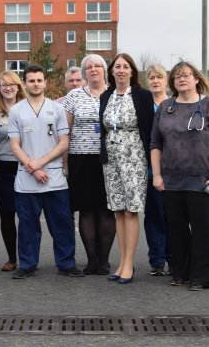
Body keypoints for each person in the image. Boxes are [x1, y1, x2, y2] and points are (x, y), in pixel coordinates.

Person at [150, 61, 209, 291]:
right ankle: (181, 272)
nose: (181, 79)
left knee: (202, 230)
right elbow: (155, 143)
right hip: (172, 179)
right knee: (177, 229)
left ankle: (202, 277)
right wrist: (157, 175)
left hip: (201, 178)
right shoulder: (165, 107)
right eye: (177, 76)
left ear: (196, 79)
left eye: (186, 75)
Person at [8, 64, 82, 279]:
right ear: (24, 84)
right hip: (27, 180)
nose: (36, 84)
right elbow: (14, 145)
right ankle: (28, 264)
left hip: (54, 178)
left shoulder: (56, 109)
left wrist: (40, 163)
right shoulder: (16, 111)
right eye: (31, 80)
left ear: (45, 83)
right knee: (28, 226)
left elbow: (63, 142)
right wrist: (33, 168)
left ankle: (67, 263)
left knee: (61, 224)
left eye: (39, 80)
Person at [99, 53, 154, 284]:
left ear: (132, 71)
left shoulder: (142, 95)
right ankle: (121, 262)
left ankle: (129, 264)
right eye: (117, 67)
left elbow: (151, 131)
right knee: (118, 211)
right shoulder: (106, 95)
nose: (121, 70)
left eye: (125, 67)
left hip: (134, 157)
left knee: (131, 211)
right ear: (111, 72)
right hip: (111, 159)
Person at [62, 54, 117, 275]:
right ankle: (91, 260)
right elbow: (64, 132)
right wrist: (65, 163)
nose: (93, 69)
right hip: (81, 158)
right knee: (86, 211)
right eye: (89, 67)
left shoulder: (116, 94)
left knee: (106, 210)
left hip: (110, 159)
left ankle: (104, 260)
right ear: (84, 72)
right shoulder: (74, 96)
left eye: (97, 66)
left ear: (105, 70)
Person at [0, 70, 26, 271]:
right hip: (2, 169)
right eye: (4, 84)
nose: (8, 88)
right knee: (7, 213)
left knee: (26, 214)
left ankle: (29, 258)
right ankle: (12, 258)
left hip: (25, 167)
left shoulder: (28, 109)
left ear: (19, 87)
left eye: (12, 84)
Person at [143, 63, 171, 276]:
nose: (155, 81)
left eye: (158, 77)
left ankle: (174, 256)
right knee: (153, 217)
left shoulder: (175, 104)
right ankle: (157, 260)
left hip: (174, 170)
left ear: (165, 80)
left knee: (173, 217)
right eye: (151, 77)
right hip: (149, 170)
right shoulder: (143, 105)